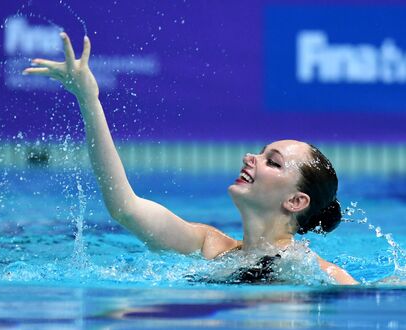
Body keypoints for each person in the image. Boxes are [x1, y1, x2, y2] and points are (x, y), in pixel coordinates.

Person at [24, 33, 358, 285]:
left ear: (296, 200)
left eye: (272, 161)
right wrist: (89, 99)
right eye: (259, 152)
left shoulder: (318, 273)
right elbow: (125, 208)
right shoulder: (208, 245)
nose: (249, 157)